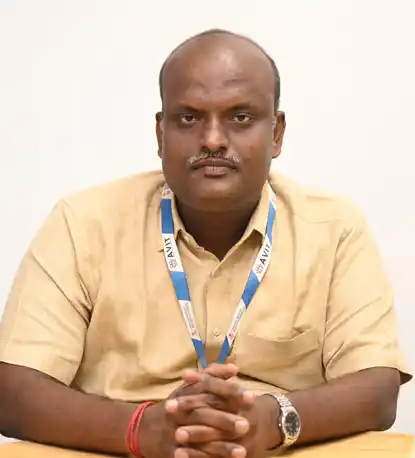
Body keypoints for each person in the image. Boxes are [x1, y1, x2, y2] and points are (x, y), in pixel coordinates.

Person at [0, 28, 411, 458]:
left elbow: (377, 388)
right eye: (189, 118)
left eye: (241, 117)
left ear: (277, 133)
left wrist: (272, 421)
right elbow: (13, 390)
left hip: (279, 446)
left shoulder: (335, 227)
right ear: (160, 134)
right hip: (120, 445)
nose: (213, 139)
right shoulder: (83, 223)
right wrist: (143, 429)